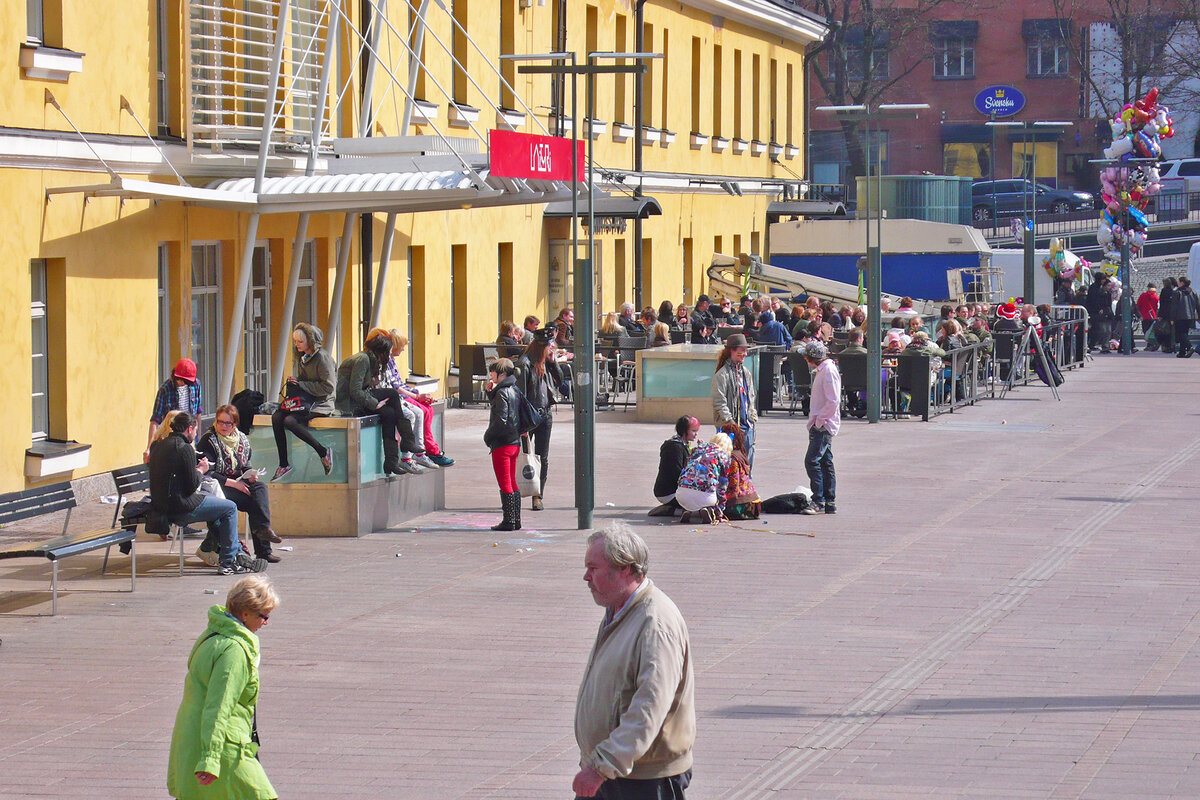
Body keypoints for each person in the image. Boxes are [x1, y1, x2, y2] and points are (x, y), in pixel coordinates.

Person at [574, 524, 695, 799]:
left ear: (625, 568)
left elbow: (650, 706)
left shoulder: (655, 622)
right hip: (611, 771)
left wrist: (603, 765)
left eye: (593, 568)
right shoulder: (617, 609)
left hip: (642, 780)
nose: (586, 577)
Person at [167, 575, 278, 800]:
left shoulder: (213, 634)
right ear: (245, 614)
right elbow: (219, 706)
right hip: (222, 746)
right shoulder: (234, 651)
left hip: (193, 738)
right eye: (263, 616)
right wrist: (210, 758)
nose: (266, 622)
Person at [149, 412, 265, 575]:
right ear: (190, 429)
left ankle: (236, 553)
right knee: (229, 508)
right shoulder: (184, 449)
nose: (196, 433)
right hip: (180, 507)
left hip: (160, 505)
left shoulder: (158, 446)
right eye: (195, 429)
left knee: (217, 507)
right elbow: (191, 486)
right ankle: (229, 561)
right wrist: (200, 470)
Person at [196, 405, 281, 564]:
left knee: (259, 489)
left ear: (235, 424)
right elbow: (207, 472)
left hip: (237, 482)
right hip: (217, 486)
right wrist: (234, 484)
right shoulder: (209, 440)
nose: (223, 426)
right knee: (249, 502)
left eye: (228, 423)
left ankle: (263, 537)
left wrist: (250, 475)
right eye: (220, 422)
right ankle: (259, 542)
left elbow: (245, 465)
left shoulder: (241, 438)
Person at [336, 329, 424, 476]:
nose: (390, 356)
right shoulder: (362, 360)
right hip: (349, 404)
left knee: (389, 414)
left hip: (359, 400)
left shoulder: (373, 361)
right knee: (392, 394)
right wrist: (374, 403)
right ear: (381, 352)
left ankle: (391, 461)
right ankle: (407, 440)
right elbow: (355, 390)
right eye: (389, 353)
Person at [270, 323, 336, 482]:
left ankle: (322, 452)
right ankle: (284, 464)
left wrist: (301, 384)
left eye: (300, 341)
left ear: (310, 341)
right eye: (295, 341)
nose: (296, 344)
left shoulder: (323, 358)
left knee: (290, 420)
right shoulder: (303, 358)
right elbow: (305, 382)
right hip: (305, 399)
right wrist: (297, 382)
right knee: (277, 417)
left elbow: (328, 387)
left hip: (321, 402)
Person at [386, 332, 454, 467]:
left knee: (427, 409)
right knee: (421, 411)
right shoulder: (386, 361)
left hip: (403, 395)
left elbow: (399, 384)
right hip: (399, 397)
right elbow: (396, 387)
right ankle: (423, 452)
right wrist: (416, 396)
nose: (404, 349)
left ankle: (428, 450)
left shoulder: (390, 360)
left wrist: (417, 393)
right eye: (402, 346)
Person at [515, 328, 561, 512]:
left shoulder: (546, 362)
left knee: (542, 457)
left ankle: (537, 496)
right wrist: (522, 424)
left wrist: (554, 362)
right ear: (540, 347)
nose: (552, 350)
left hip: (545, 415)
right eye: (550, 347)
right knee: (524, 457)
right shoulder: (525, 363)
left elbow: (560, 381)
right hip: (529, 416)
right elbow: (520, 395)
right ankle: (517, 493)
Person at [801, 341, 840, 516]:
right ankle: (829, 499)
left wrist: (820, 421)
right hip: (822, 422)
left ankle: (819, 500)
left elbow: (833, 401)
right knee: (825, 461)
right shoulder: (823, 370)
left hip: (823, 424)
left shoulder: (828, 371)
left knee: (812, 460)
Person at [483, 357, 522, 531]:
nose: (490, 375)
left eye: (493, 372)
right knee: (512, 481)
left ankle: (508, 520)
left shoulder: (502, 392)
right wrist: (490, 393)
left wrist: (488, 436)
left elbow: (501, 419)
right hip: (514, 441)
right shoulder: (513, 389)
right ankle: (516, 519)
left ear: (501, 373)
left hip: (502, 443)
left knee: (504, 481)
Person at [710, 334, 757, 468]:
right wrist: (730, 422)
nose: (744, 354)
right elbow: (719, 401)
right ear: (731, 351)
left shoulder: (745, 373)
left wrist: (753, 418)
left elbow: (751, 397)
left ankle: (747, 487)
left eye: (746, 351)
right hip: (728, 427)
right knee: (728, 464)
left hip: (747, 425)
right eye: (741, 351)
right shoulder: (722, 375)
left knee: (747, 463)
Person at [146, 358, 203, 463]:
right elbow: (155, 420)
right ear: (175, 376)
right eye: (180, 380)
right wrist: (149, 447)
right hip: (171, 440)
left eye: (187, 382)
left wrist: (197, 437)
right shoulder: (165, 389)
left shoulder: (196, 385)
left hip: (190, 437)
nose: (183, 383)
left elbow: (198, 413)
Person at [674, 433, 734, 523]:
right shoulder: (723, 456)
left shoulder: (696, 449)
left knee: (692, 481)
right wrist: (719, 512)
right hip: (705, 495)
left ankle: (687, 509)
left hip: (680, 494)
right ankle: (707, 508)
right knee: (709, 487)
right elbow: (722, 487)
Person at [649, 415, 700, 517]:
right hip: (668, 492)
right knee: (697, 503)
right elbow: (676, 472)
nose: (696, 434)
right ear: (684, 430)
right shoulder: (674, 448)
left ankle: (676, 509)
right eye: (693, 431)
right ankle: (670, 510)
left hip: (675, 488)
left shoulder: (683, 444)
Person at [1172, 276, 1199, 358]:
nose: (1177, 283)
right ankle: (1182, 352)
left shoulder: (1177, 292)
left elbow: (1174, 306)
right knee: (1185, 333)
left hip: (1180, 316)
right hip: (1190, 316)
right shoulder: (1193, 292)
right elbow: (1198, 305)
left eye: (1179, 282)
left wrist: (1172, 318)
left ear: (1182, 283)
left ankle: (1189, 347)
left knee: (1180, 333)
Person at [1137, 282, 1160, 347]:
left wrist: (1140, 314)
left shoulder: (1143, 295)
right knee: (1152, 331)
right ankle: (1152, 344)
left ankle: (1149, 344)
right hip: (1153, 316)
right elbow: (1157, 307)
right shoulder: (1156, 297)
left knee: (1146, 331)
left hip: (1144, 316)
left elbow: (1138, 305)